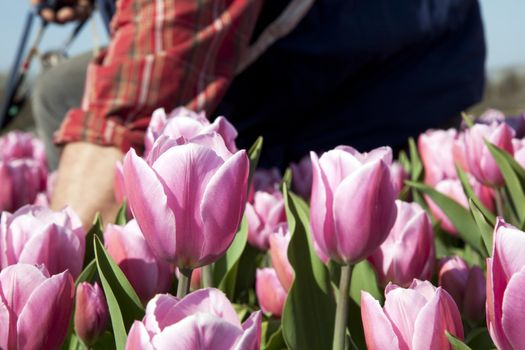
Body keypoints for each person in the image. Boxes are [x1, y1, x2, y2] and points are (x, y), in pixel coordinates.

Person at [31, 0, 486, 228]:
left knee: (343, 230)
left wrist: (50, 267)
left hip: (389, 67)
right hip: (291, 57)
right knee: (61, 89)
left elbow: (128, 110)